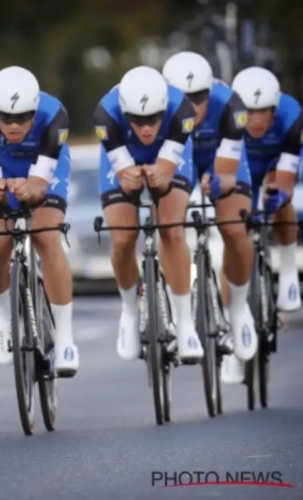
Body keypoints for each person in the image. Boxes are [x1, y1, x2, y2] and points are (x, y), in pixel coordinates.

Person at [0, 66, 78, 375]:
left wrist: (32, 188)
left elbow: (40, 185)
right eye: (6, 118)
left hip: (45, 171)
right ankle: (5, 316)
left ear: (35, 110)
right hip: (2, 169)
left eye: (23, 118)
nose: (14, 126)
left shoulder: (54, 115)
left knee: (46, 237)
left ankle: (65, 337)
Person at [94, 65, 204, 363]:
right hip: (122, 157)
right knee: (122, 239)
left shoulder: (182, 110)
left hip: (169, 157)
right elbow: (125, 174)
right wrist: (129, 177)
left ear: (164, 111)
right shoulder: (106, 113)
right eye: (138, 121)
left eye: (153, 119)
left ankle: (184, 323)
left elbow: (166, 172)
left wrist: (160, 173)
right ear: (125, 112)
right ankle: (129, 311)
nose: (146, 128)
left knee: (171, 229)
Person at [162, 51, 258, 383]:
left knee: (233, 228)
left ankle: (239, 307)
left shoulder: (231, 106)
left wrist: (217, 184)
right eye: (184, 98)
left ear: (210, 90)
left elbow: (228, 174)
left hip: (222, 160)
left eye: (199, 96)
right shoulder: (160, 108)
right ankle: (182, 315)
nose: (193, 105)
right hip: (182, 160)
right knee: (168, 228)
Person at [222, 67, 303, 382]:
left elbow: (285, 176)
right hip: (240, 166)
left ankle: (287, 271)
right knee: (232, 237)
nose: (256, 120)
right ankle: (232, 333)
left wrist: (275, 196)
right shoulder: (226, 116)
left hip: (275, 161)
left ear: (275, 107)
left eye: (263, 113)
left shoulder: (291, 115)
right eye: (250, 113)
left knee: (279, 195)